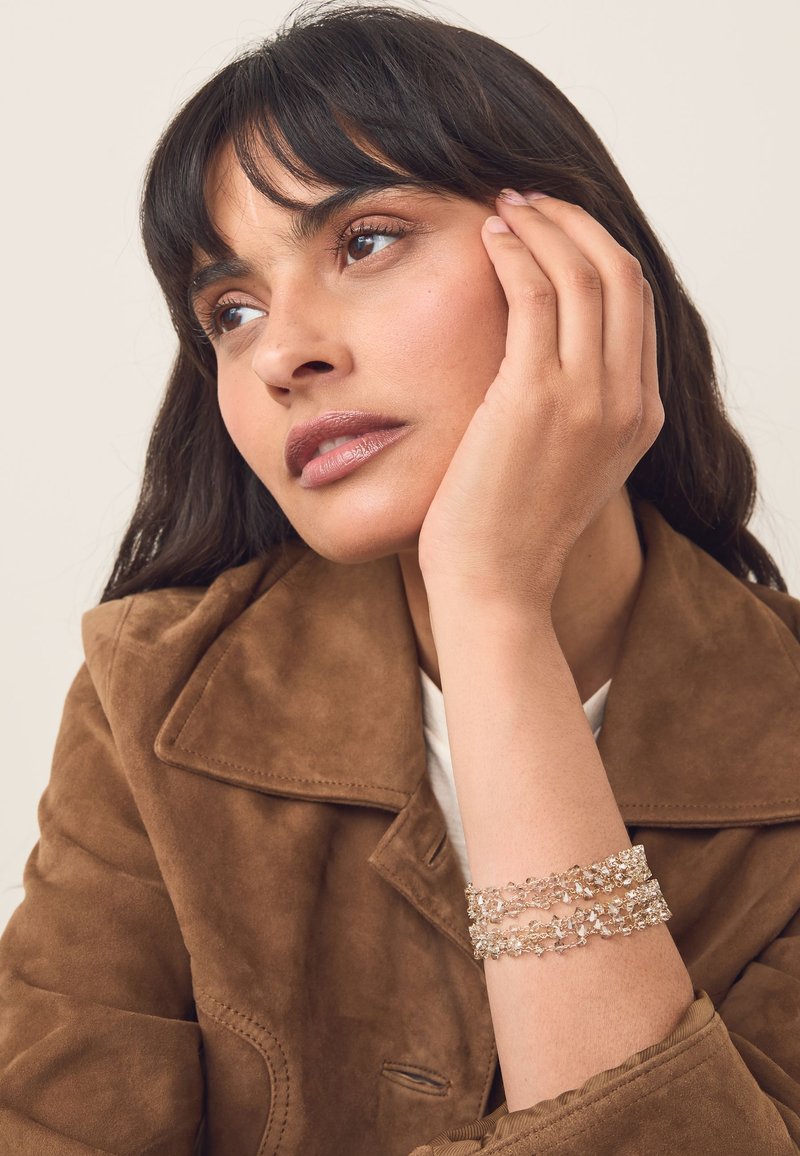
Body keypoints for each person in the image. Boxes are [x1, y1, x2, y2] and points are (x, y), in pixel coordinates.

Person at [0, 2, 798, 1153]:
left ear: (581, 265)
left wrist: (490, 606)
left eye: (363, 241)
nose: (281, 354)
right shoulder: (153, 698)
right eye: (231, 310)